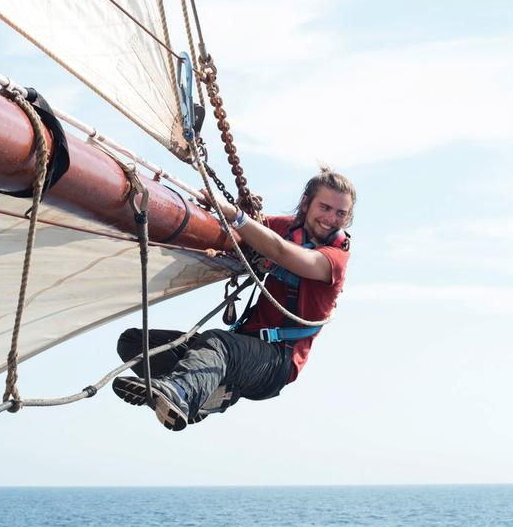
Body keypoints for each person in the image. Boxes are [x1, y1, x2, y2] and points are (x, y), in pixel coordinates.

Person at [112, 166, 355, 430]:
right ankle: (206, 394)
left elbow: (279, 251)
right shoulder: (284, 228)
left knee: (217, 343)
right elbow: (248, 231)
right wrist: (213, 209)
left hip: (277, 361)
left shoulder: (335, 258)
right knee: (135, 343)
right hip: (242, 345)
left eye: (340, 213)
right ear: (306, 203)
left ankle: (180, 393)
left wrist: (237, 216)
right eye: (325, 208)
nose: (331, 218)